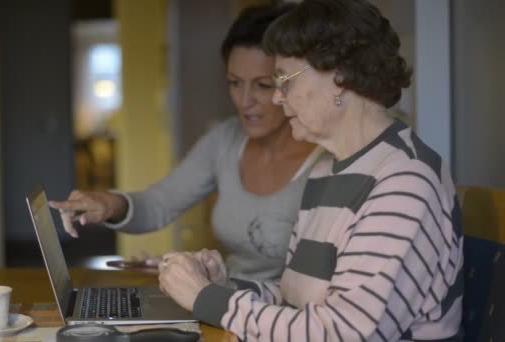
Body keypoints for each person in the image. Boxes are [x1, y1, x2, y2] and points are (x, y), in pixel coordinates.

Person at [157, 0, 464, 340]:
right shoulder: (325, 171)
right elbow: (297, 304)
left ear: (340, 77)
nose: (276, 98)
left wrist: (210, 300)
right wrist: (224, 287)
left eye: (284, 79)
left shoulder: (406, 181)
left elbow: (342, 333)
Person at [49, 4, 322, 281]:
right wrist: (109, 203)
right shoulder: (225, 139)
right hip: (228, 307)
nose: (244, 101)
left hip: (283, 317)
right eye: (234, 83)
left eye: (263, 85)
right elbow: (159, 203)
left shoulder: (327, 158)